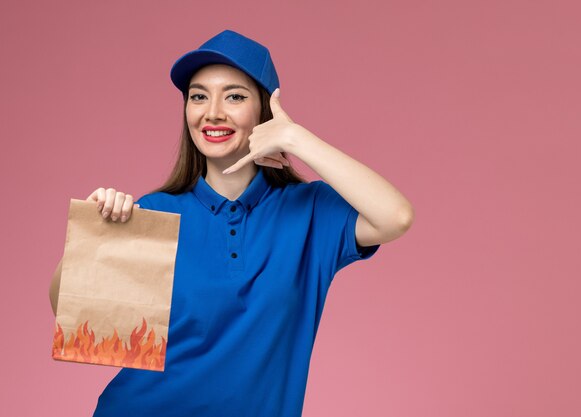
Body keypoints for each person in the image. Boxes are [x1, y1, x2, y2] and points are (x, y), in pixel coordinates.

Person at [49, 29, 414, 417]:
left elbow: (396, 216)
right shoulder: (154, 212)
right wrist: (95, 236)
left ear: (264, 111)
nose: (213, 112)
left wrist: (296, 139)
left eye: (235, 96)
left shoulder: (310, 212)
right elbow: (71, 312)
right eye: (198, 96)